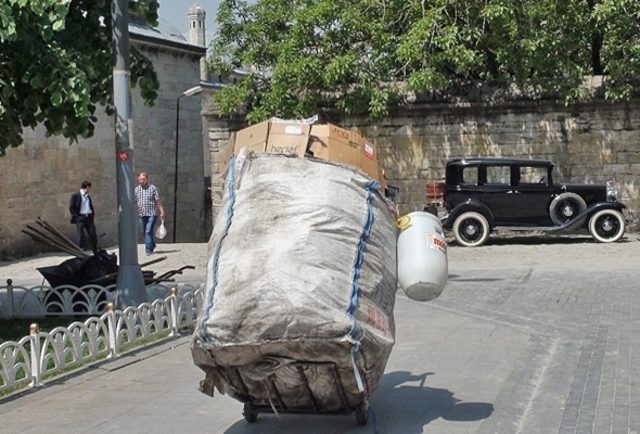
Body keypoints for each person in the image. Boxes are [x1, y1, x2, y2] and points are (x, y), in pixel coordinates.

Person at [134, 171, 165, 256]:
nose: (142, 181)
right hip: (141, 214)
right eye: (140, 179)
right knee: (144, 231)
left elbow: (157, 201)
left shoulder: (152, 188)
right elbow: (134, 201)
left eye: (143, 179)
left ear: (147, 179)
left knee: (148, 231)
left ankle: (148, 250)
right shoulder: (136, 190)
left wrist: (161, 211)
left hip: (152, 213)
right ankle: (152, 244)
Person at [69, 180, 98, 254]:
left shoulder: (88, 196)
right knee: (80, 236)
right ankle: (81, 251)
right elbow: (71, 207)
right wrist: (76, 217)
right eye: (89, 188)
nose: (90, 190)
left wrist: (92, 214)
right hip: (80, 218)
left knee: (93, 235)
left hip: (89, 217)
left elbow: (89, 205)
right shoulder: (76, 196)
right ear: (86, 187)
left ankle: (95, 250)